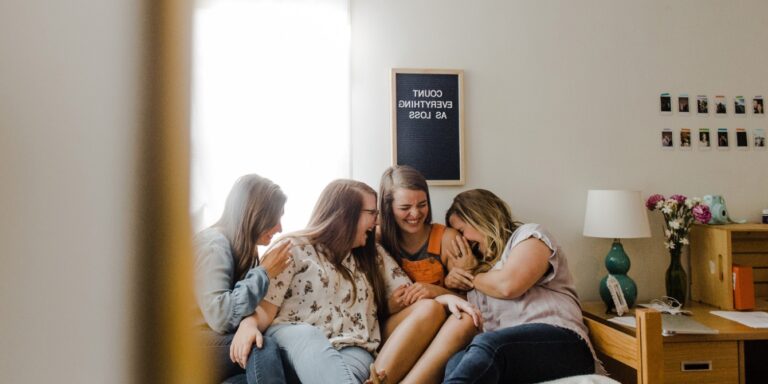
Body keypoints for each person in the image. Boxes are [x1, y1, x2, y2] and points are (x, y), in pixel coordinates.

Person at [231, 179, 479, 384]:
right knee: (307, 336)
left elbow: (409, 295)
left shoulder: (373, 255)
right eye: (371, 213)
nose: (378, 222)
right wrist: (249, 324)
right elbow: (267, 306)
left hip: (354, 349)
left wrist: (445, 297)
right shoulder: (293, 247)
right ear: (345, 215)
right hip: (298, 338)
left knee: (430, 308)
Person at [442, 189, 601, 383]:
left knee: (488, 345)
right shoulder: (482, 272)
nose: (463, 241)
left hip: (564, 344)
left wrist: (471, 276)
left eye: (461, 231)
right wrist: (449, 282)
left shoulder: (529, 236)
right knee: (457, 361)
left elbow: (508, 286)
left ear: (479, 217)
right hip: (517, 354)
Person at [376, 165, 480, 383]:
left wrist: (434, 290)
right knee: (428, 307)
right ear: (388, 208)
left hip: (440, 326)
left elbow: (470, 301)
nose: (415, 214)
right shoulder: (376, 240)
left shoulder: (447, 238)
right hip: (394, 326)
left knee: (468, 319)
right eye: (405, 207)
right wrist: (390, 305)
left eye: (422, 205)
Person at [193, 174, 293, 384]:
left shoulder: (240, 249)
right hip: (190, 344)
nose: (280, 228)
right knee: (261, 347)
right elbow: (221, 317)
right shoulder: (215, 245)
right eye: (276, 218)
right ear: (257, 214)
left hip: (211, 344)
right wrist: (264, 272)